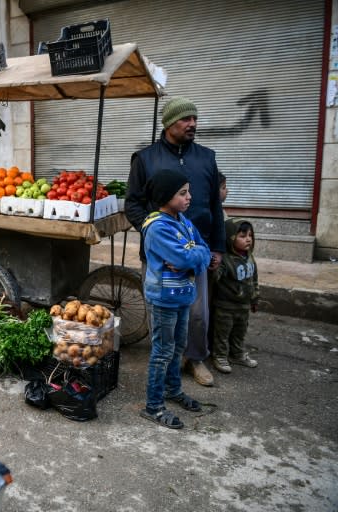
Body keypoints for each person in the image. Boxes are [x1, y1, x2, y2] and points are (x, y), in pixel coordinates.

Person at [125, 97, 225, 387]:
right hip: (158, 257)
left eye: (194, 118)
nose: (192, 124)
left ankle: (195, 358)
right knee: (162, 312)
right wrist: (159, 240)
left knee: (196, 314)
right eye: (185, 119)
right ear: (169, 123)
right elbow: (133, 205)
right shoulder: (145, 159)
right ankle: (166, 360)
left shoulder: (206, 158)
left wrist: (217, 246)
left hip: (196, 252)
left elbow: (215, 208)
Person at [139, 169, 211, 429]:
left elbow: (204, 251)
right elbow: (185, 257)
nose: (189, 197)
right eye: (183, 193)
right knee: (162, 352)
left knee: (178, 346)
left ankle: (172, 390)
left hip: (182, 295)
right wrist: (192, 257)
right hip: (163, 300)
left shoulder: (183, 221)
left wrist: (194, 257)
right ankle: (154, 406)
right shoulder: (157, 228)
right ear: (165, 196)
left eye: (188, 191)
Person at [210, 218, 259, 373]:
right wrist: (213, 267)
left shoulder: (249, 257)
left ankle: (237, 354)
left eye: (250, 235)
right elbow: (215, 278)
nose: (248, 239)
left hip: (243, 306)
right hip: (225, 307)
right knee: (222, 333)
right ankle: (220, 356)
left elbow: (254, 279)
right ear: (230, 238)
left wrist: (255, 298)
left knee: (239, 332)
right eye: (242, 236)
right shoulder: (225, 260)